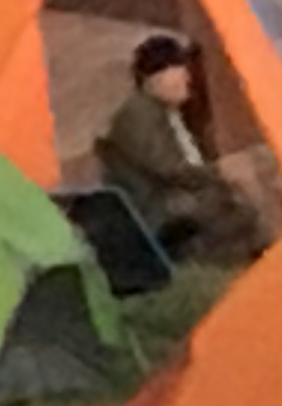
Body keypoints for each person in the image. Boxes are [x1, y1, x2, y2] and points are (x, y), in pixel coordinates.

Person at [94, 34, 267, 265]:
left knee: (257, 169)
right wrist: (221, 172)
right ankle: (265, 250)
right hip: (158, 207)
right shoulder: (137, 114)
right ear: (152, 78)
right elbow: (170, 169)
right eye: (177, 69)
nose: (186, 77)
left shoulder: (169, 114)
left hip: (177, 196)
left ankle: (264, 248)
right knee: (240, 194)